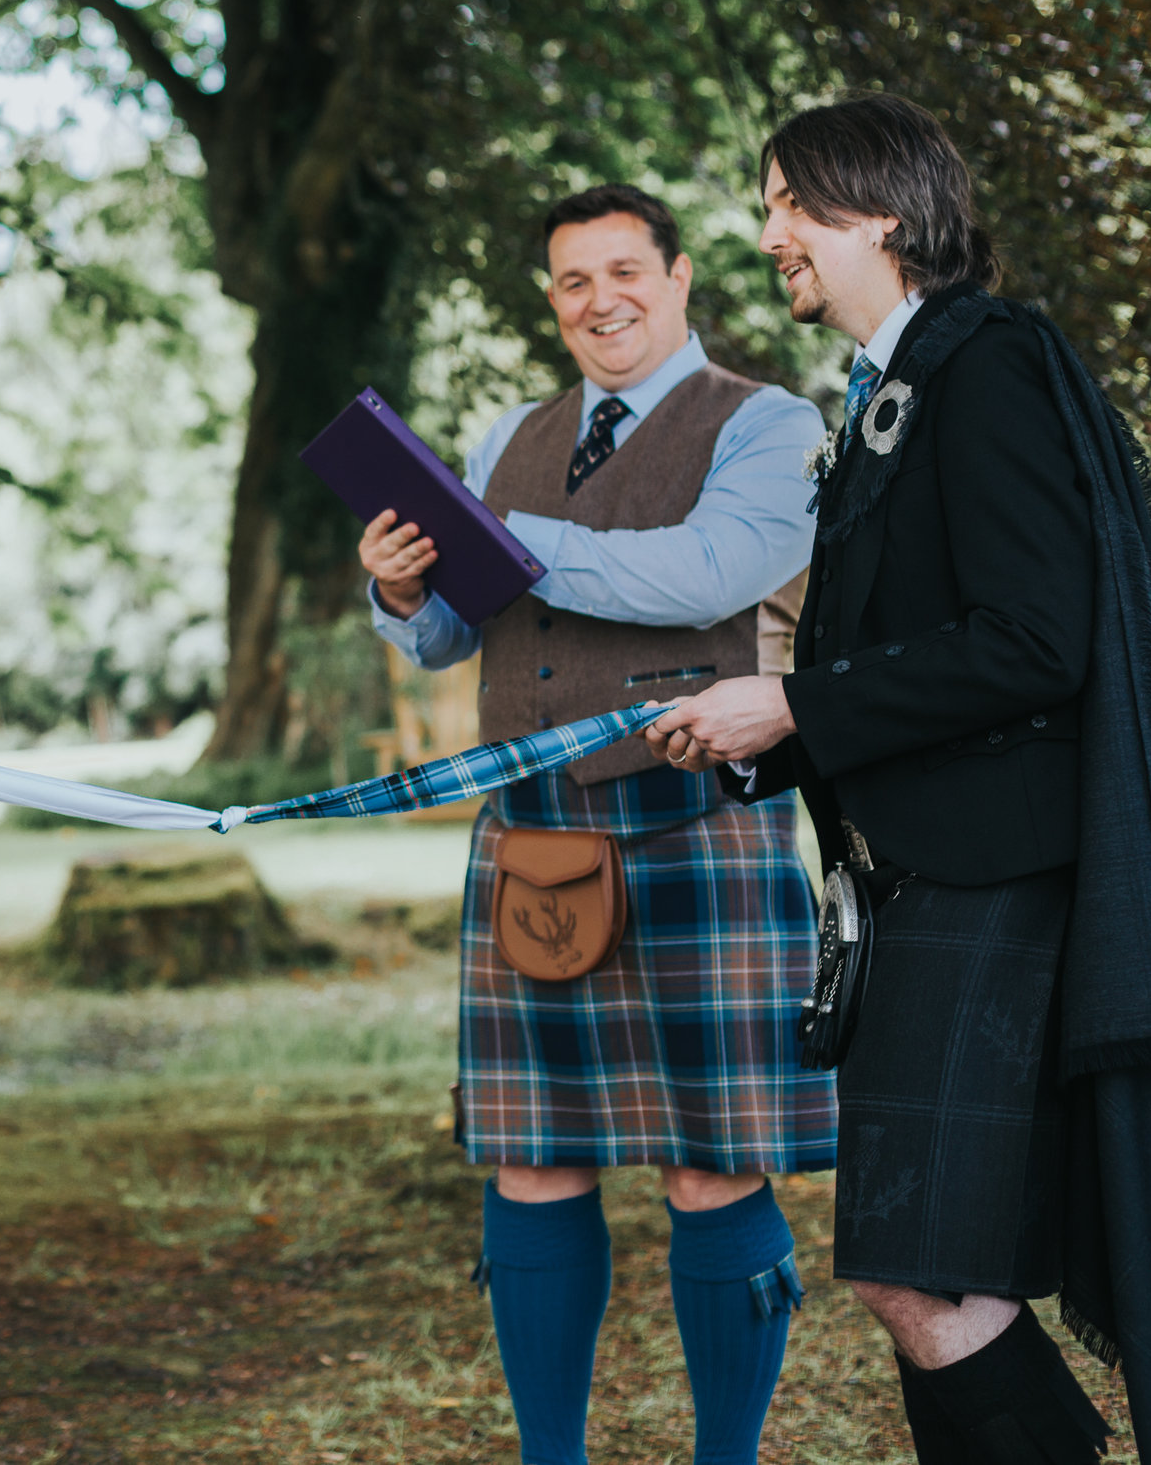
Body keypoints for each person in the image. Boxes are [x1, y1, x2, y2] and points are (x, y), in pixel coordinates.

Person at [646, 93, 1151, 1463]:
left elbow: (1034, 639)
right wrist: (771, 721)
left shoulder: (985, 363)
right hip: (938, 879)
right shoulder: (899, 382)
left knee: (921, 1270)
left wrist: (794, 701)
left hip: (993, 879)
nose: (768, 231)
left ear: (880, 210)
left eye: (789, 201)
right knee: (927, 1272)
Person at [358, 184, 831, 1465]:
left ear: (678, 278)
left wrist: (497, 536)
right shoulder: (511, 428)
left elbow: (706, 574)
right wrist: (404, 585)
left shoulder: (771, 422)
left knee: (711, 1164)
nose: (600, 299)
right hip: (533, 837)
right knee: (532, 1157)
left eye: (626, 270)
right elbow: (457, 628)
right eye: (573, 280)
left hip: (698, 827)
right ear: (550, 299)